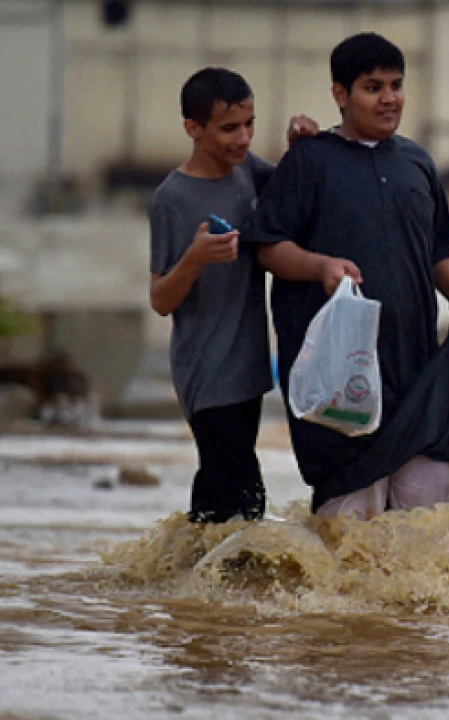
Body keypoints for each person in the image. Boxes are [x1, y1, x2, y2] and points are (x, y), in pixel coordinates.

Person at [252, 32, 449, 520]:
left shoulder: (417, 163)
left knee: (425, 531)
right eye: (372, 87)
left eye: (396, 85)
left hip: (418, 370)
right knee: (348, 534)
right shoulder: (309, 160)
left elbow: (438, 250)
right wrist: (320, 266)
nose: (389, 98)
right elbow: (268, 248)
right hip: (342, 375)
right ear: (340, 95)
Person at [148, 67, 318, 523]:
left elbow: (292, 191)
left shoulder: (248, 173)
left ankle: (181, 585)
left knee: (217, 494)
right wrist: (195, 258)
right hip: (205, 370)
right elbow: (161, 299)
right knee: (244, 499)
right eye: (228, 129)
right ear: (193, 129)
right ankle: (224, 584)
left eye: (249, 125)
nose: (243, 139)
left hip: (248, 369)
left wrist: (300, 147)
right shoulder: (173, 198)